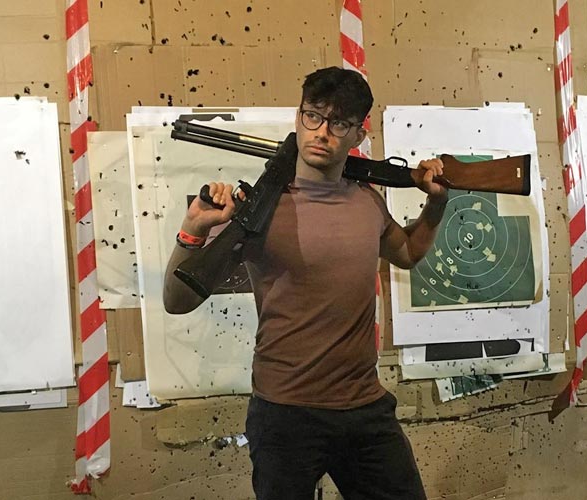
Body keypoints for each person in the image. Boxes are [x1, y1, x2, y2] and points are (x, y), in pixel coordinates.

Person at [163, 66, 448, 500]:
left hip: (365, 408)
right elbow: (177, 300)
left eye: (339, 123)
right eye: (312, 116)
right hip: (285, 414)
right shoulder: (257, 210)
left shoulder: (367, 201)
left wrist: (436, 205)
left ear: (357, 134)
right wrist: (193, 229)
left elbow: (407, 254)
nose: (322, 133)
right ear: (298, 118)